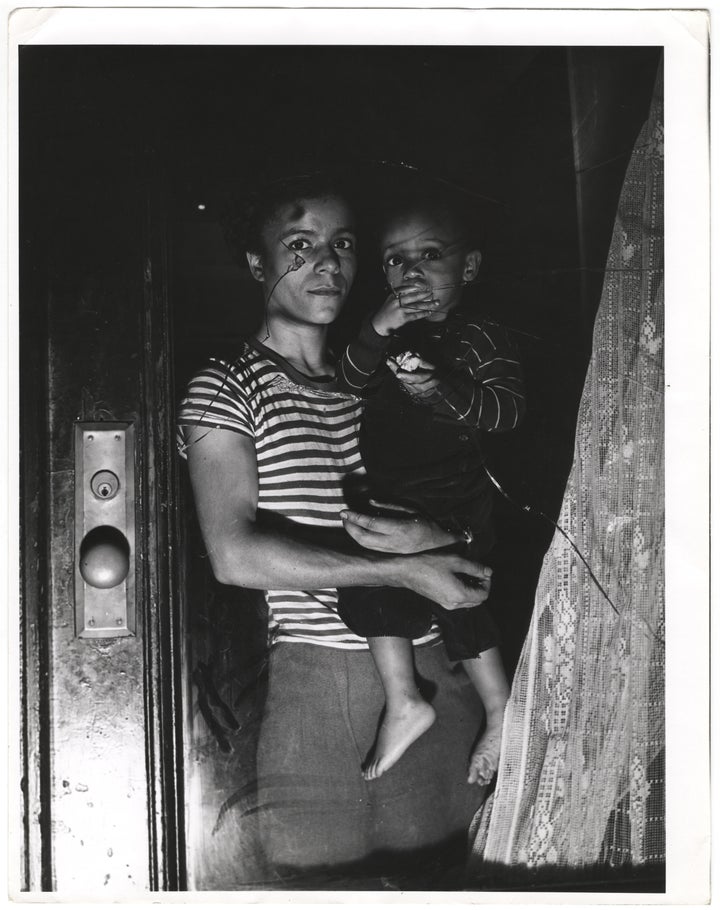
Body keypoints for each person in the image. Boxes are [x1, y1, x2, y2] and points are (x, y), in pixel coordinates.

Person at [177, 174, 494, 883]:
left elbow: (473, 499)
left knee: (443, 882)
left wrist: (434, 543)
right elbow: (235, 555)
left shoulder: (385, 375)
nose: (328, 263)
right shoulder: (229, 382)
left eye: (344, 244)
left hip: (439, 664)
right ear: (258, 265)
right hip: (318, 676)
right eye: (300, 245)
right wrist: (399, 569)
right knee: (311, 882)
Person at [336, 178, 526, 782]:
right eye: (395, 259)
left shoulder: (480, 335)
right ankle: (404, 702)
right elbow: (350, 379)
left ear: (468, 267)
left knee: (460, 590)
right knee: (369, 578)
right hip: (393, 492)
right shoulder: (388, 332)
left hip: (457, 497)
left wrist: (447, 389)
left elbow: (508, 412)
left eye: (430, 254)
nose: (411, 272)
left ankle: (499, 709)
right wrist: (376, 327)